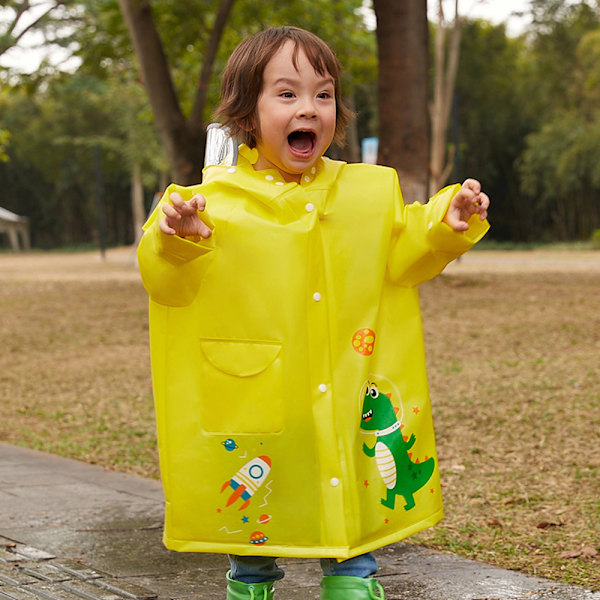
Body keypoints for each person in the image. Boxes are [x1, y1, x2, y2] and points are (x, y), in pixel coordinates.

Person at [137, 26, 490, 600]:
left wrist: (447, 222)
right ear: (247, 114)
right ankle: (250, 582)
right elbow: (166, 281)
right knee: (256, 506)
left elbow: (400, 250)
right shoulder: (211, 200)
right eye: (287, 94)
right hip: (259, 396)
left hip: (347, 385)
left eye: (322, 94)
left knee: (346, 490)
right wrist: (180, 238)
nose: (309, 108)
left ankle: (353, 582)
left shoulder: (366, 193)